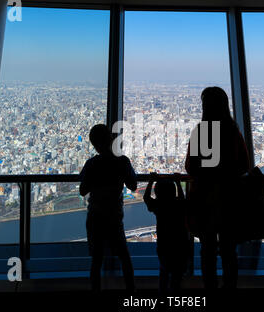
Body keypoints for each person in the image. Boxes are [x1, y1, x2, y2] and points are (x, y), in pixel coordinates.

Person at [185, 87, 250, 291]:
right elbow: (245, 165)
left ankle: (210, 289)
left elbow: (190, 167)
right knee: (229, 250)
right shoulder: (233, 131)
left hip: (204, 199)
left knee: (207, 250)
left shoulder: (202, 132)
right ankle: (230, 288)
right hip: (230, 198)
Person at [79, 124, 137, 292]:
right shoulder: (122, 161)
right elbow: (133, 185)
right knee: (124, 257)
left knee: (96, 260)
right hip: (114, 217)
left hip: (95, 216)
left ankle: (96, 292)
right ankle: (131, 293)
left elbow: (83, 190)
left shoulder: (92, 164)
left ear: (94, 144)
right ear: (111, 140)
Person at [144, 173, 190, 294]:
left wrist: (150, 181)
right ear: (173, 192)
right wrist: (178, 182)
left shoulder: (159, 205)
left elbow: (146, 198)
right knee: (177, 276)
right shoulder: (179, 205)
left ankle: (162, 297)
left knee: (164, 272)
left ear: (158, 193)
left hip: (164, 245)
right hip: (180, 244)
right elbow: (181, 199)